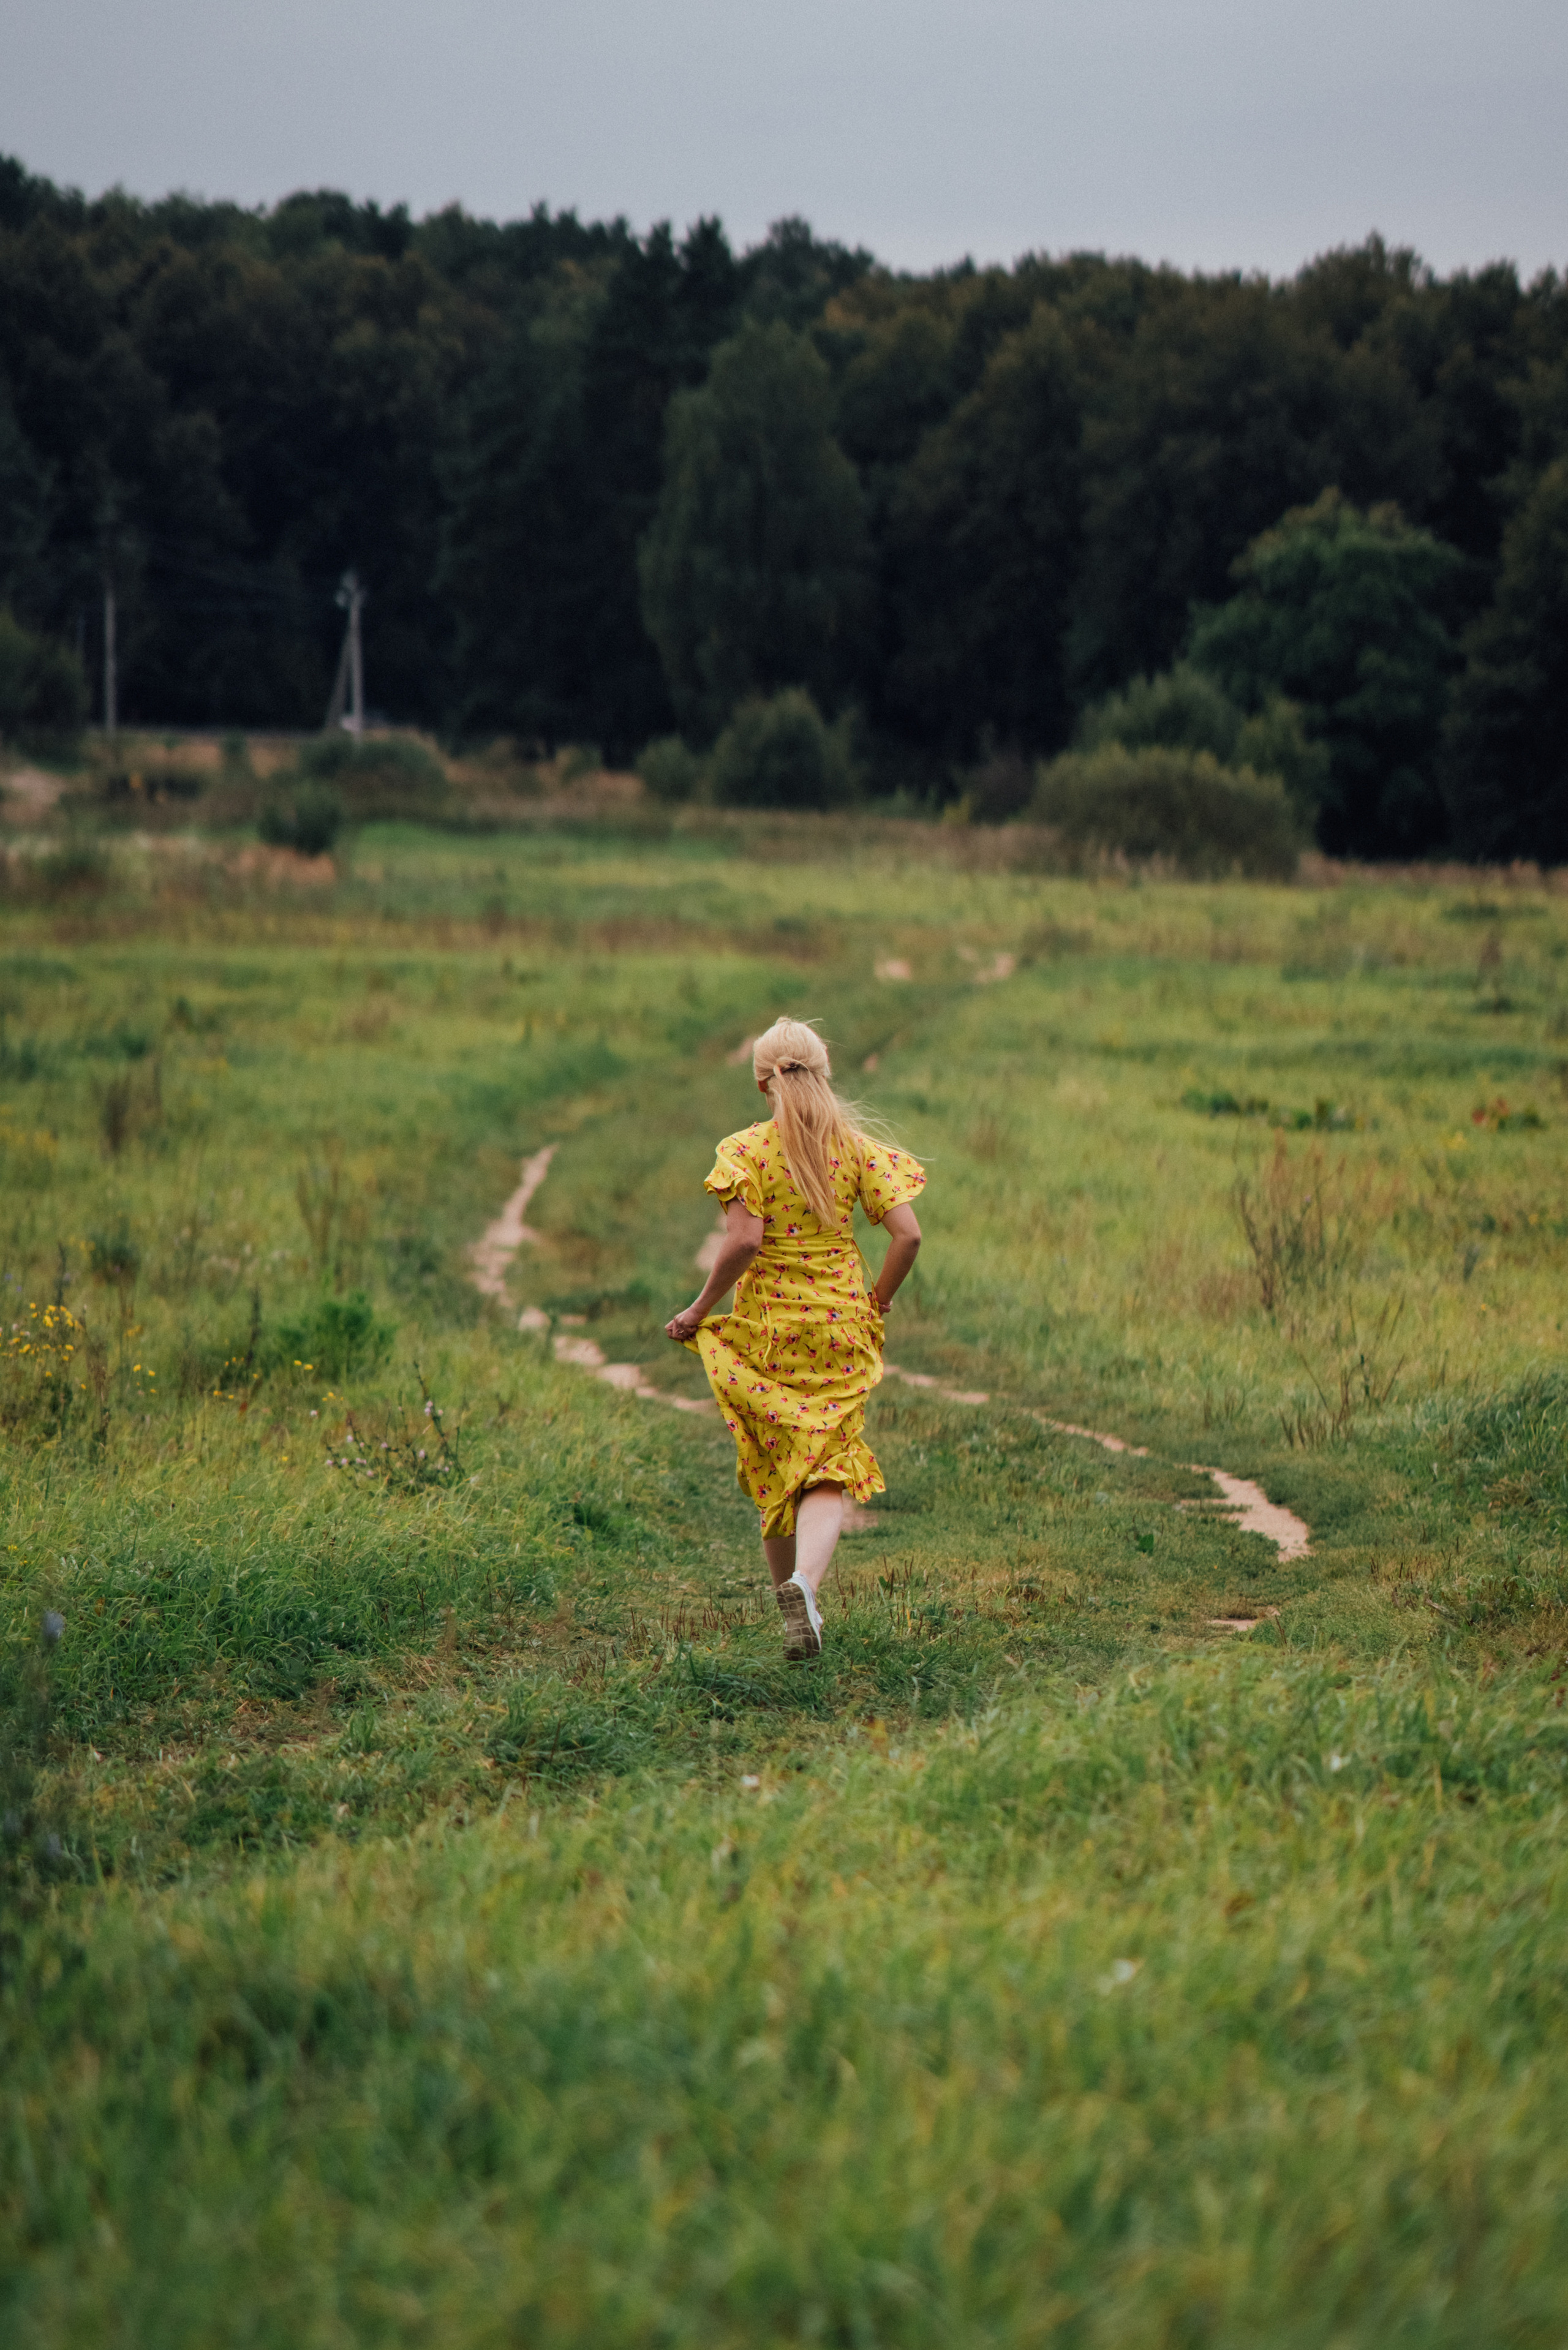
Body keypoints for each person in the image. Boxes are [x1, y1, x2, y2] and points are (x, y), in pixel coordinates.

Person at [665, 1017, 924, 1660]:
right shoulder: (857, 1150)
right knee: (828, 1465)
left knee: (775, 1464)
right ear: (823, 1073)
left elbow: (745, 1242)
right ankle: (805, 1588)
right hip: (839, 1324)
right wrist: (880, 1300)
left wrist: (699, 1309)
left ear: (762, 1081)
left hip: (768, 1331)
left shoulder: (745, 1151)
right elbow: (908, 1235)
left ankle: (792, 1594)